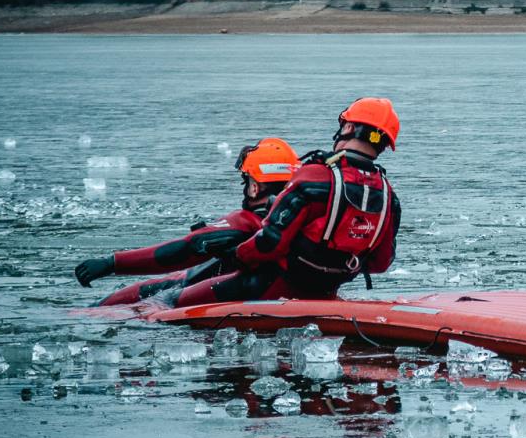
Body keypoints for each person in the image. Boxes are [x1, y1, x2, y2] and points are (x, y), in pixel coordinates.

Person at [170, 98, 402, 307]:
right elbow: (380, 263)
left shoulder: (314, 176)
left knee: (167, 300)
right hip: (324, 294)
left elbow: (269, 243)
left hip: (267, 288)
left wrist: (235, 255)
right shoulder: (389, 196)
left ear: (349, 127)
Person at [76, 138, 299, 306]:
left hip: (201, 288)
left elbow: (185, 249)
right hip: (282, 289)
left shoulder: (246, 221)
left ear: (254, 187)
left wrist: (112, 263)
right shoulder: (311, 218)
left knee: (108, 307)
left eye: (246, 180)